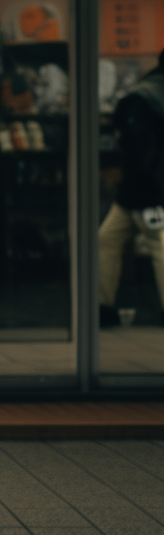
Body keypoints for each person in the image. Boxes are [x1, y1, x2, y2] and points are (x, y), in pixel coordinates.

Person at [99, 47, 164, 326]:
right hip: (148, 188)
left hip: (141, 188)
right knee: (154, 244)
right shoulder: (150, 96)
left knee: (110, 240)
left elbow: (132, 144)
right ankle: (102, 305)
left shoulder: (142, 95)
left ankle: (103, 306)